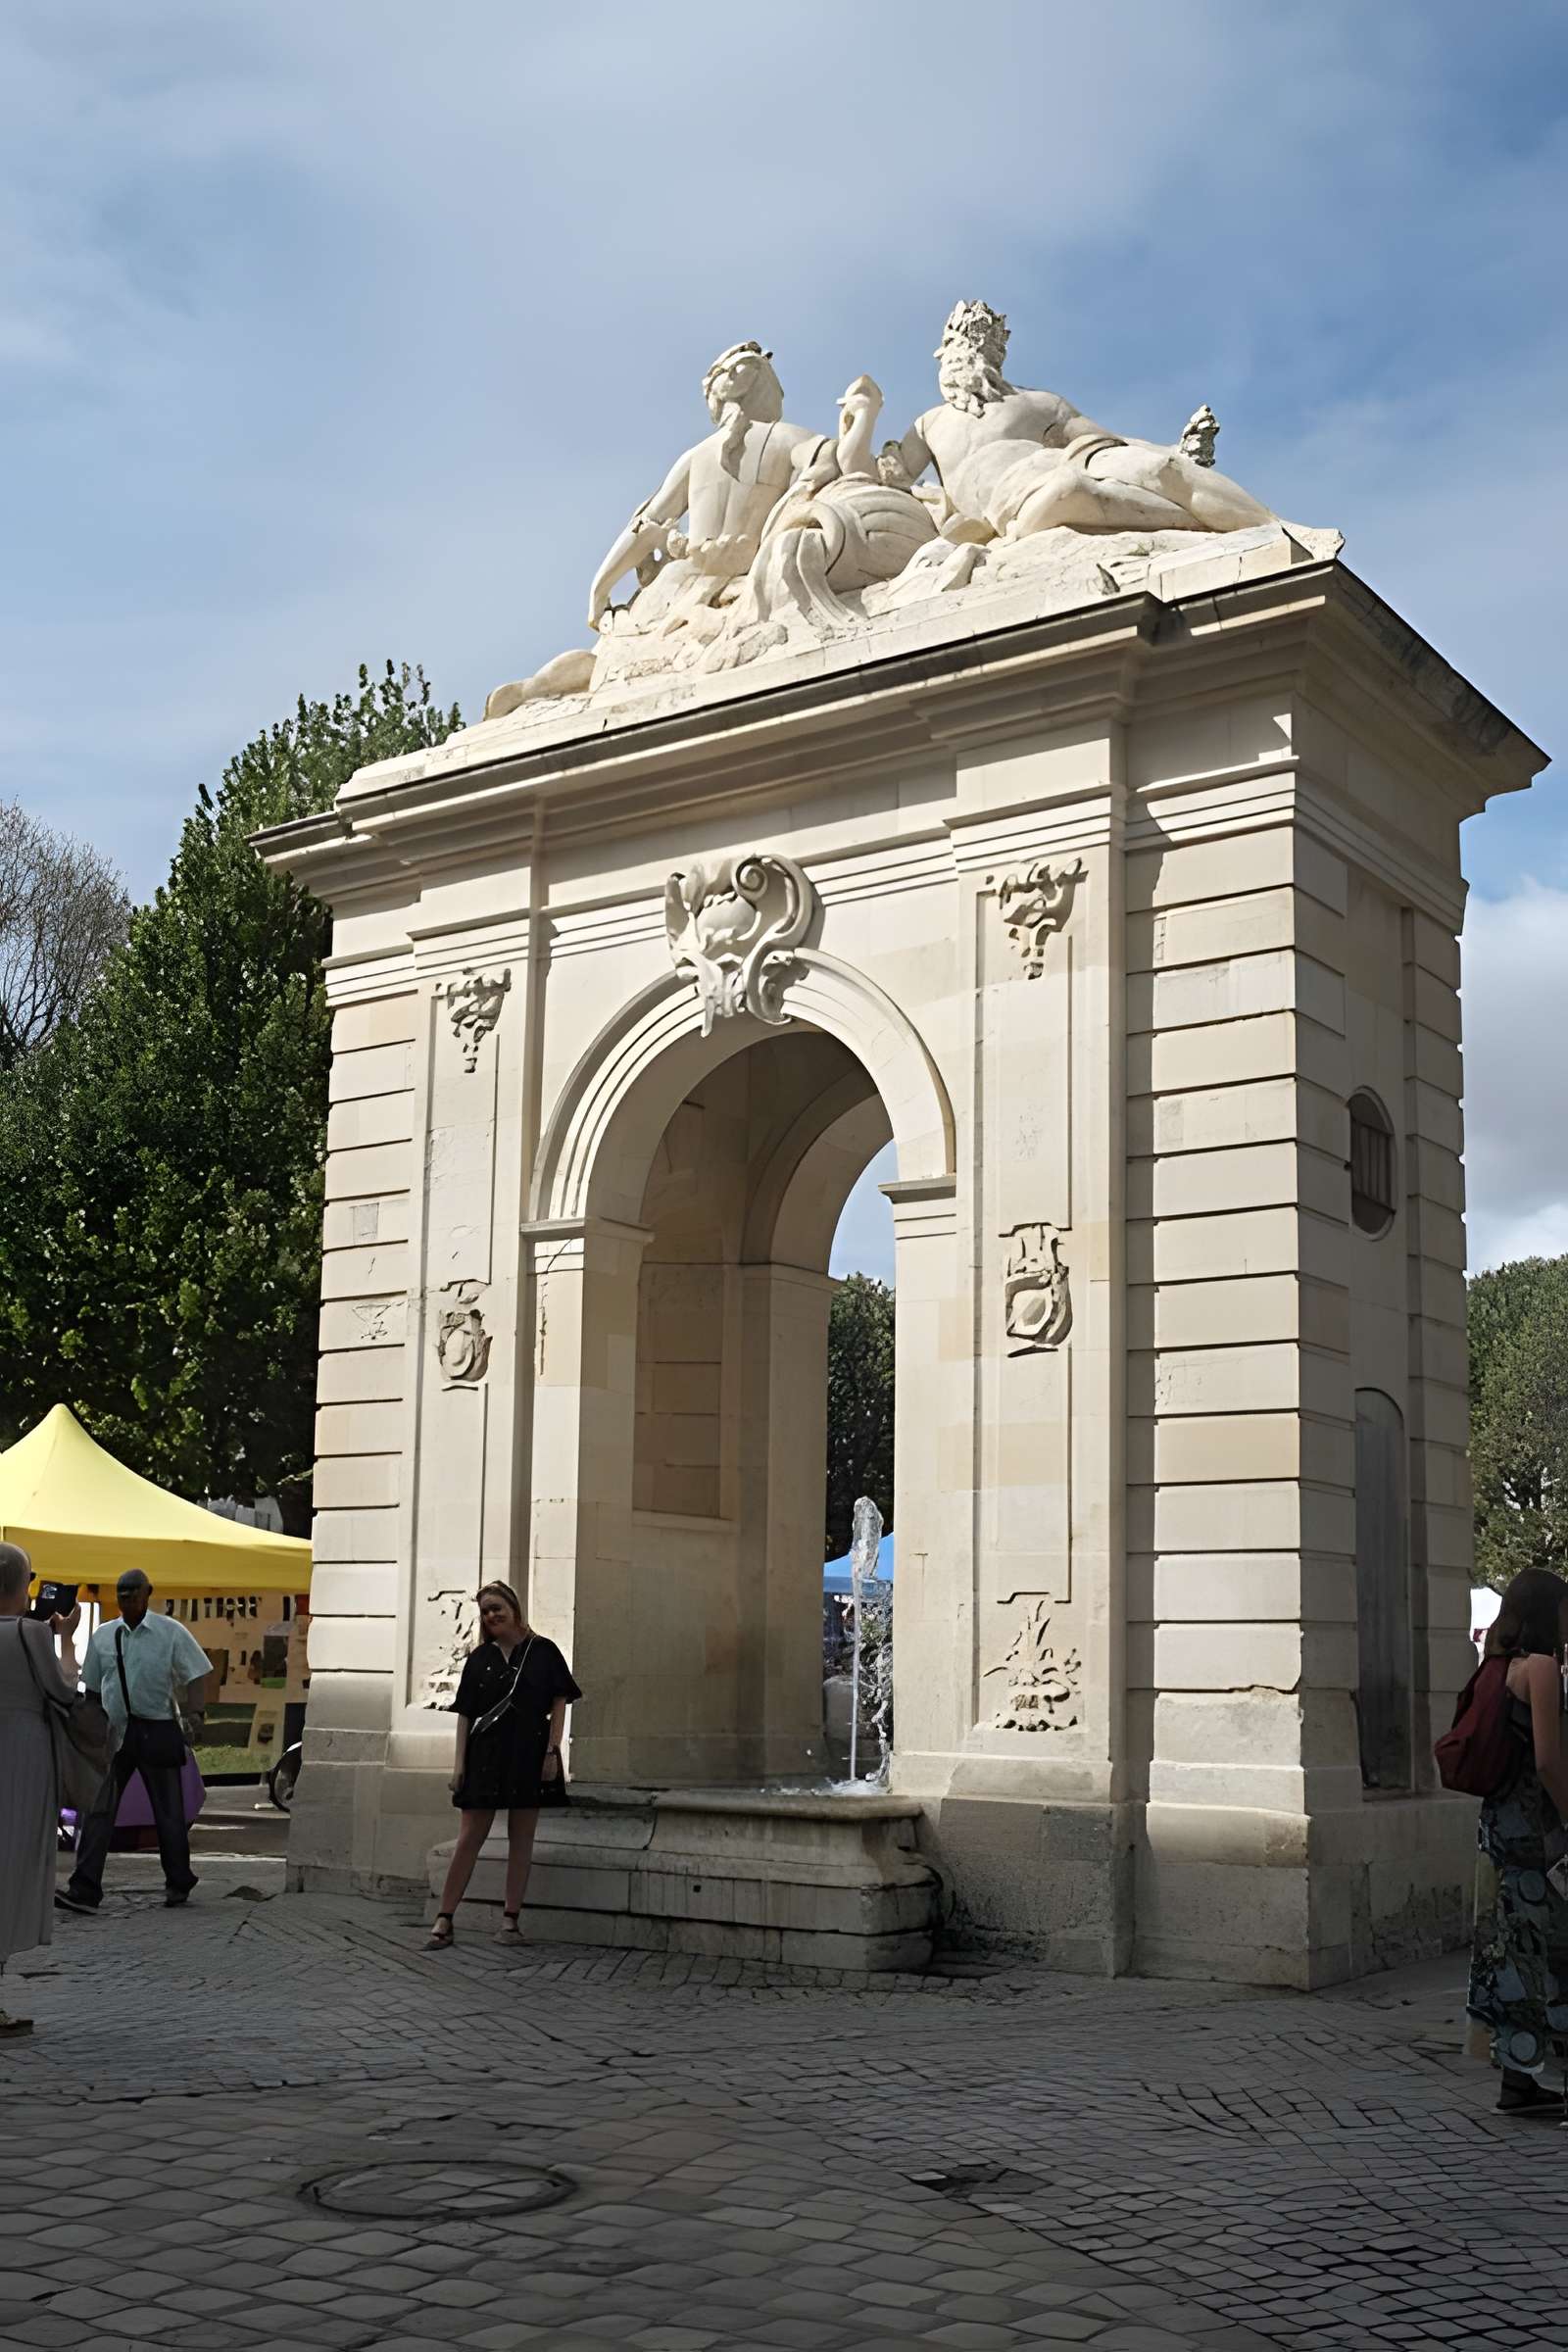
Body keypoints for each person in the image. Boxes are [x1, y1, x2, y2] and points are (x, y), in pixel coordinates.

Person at [877, 298, 1275, 543]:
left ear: (998, 353)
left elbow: (1112, 442)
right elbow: (886, 481)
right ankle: (1206, 529)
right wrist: (860, 420)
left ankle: (1272, 529)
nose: (968, 353)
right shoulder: (928, 424)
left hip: (1066, 461)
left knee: (1160, 469)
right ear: (945, 352)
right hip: (1013, 499)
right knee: (1070, 491)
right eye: (960, 344)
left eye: (982, 344)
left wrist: (1175, 451)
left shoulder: (1037, 403)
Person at [425, 1581, 580, 1950]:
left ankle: (511, 1920)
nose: (491, 1615)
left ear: (513, 1607)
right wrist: (458, 1765)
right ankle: (445, 1917)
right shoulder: (480, 1658)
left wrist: (552, 1752)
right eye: (485, 1611)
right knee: (469, 1838)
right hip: (485, 1754)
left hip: (529, 1753)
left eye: (497, 1607)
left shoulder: (543, 1651)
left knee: (521, 1839)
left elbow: (560, 1703)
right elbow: (465, 1715)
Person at [1465, 1566, 1568, 2113]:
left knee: (1513, 1950)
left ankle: (1518, 2079)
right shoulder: (1543, 1668)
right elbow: (1548, 1759)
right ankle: (1534, 2076)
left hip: (1500, 1827)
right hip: (1538, 1832)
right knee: (1550, 1951)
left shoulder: (1498, 1664)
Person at [58, 1568, 210, 1915]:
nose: (126, 1597)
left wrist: (196, 1713)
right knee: (98, 1810)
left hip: (157, 1729)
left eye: (132, 1591)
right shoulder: (104, 1635)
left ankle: (178, 1881)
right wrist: (92, 1729)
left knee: (168, 1812)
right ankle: (84, 1888)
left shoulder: (170, 1632)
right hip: (115, 1732)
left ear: (148, 1592)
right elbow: (93, 1688)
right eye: (121, 1592)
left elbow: (196, 1673)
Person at [0, 1542, 81, 2033]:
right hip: (21, 1758)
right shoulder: (29, 1633)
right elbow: (65, 1690)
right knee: (12, 1866)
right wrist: (66, 1640)